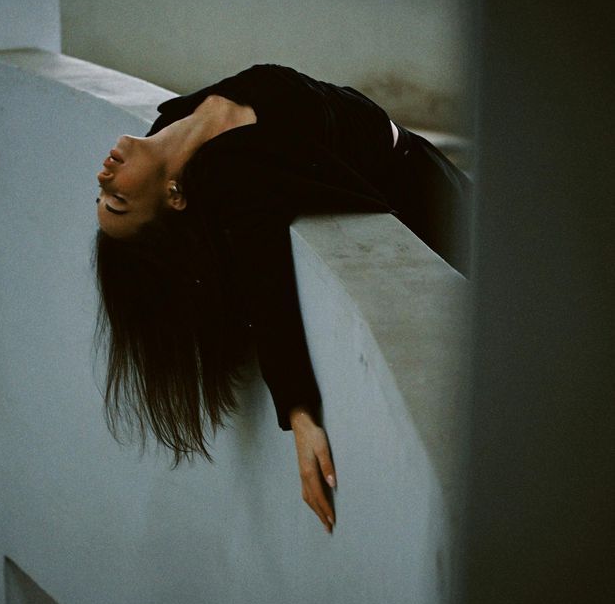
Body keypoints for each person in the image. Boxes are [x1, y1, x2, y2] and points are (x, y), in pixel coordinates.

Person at [94, 63, 471, 534]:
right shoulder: (228, 174)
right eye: (118, 201)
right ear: (173, 197)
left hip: (420, 155)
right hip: (424, 194)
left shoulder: (172, 119)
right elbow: (265, 278)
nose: (103, 180)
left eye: (101, 199)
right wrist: (300, 413)